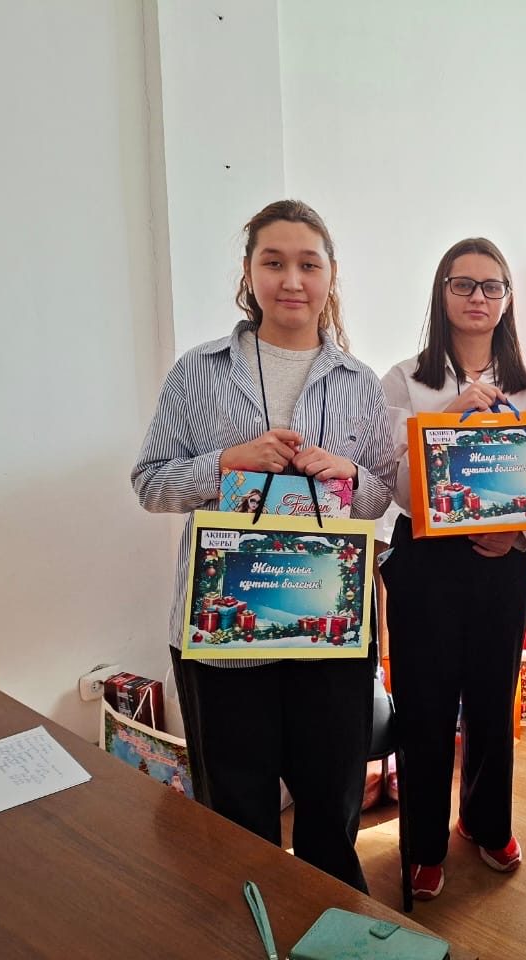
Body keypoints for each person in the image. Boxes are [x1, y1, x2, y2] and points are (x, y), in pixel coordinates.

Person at [131, 199, 396, 893]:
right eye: (274, 262)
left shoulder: (360, 383)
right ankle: (247, 931)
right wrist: (226, 462)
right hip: (224, 635)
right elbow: (150, 484)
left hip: (329, 632)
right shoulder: (198, 372)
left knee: (330, 818)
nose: (292, 280)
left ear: (331, 276)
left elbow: (377, 502)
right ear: (249, 273)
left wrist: (350, 473)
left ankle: (332, 924)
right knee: (237, 820)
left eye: (309, 264)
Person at [380, 238, 526, 901]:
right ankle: (422, 847)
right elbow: (392, 483)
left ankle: (485, 823)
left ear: (507, 299)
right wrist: (444, 420)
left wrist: (517, 533)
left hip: (500, 561)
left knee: (491, 697)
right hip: (426, 560)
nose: (477, 297)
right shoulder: (404, 380)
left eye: (491, 286)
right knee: (424, 707)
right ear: (442, 292)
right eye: (463, 284)